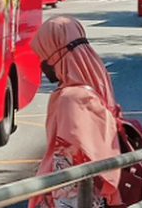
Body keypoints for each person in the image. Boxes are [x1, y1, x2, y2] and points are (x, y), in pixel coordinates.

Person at [29, 16, 122, 208]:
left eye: (42, 56)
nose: (41, 65)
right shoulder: (96, 86)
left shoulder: (70, 99)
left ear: (55, 56)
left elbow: (67, 167)